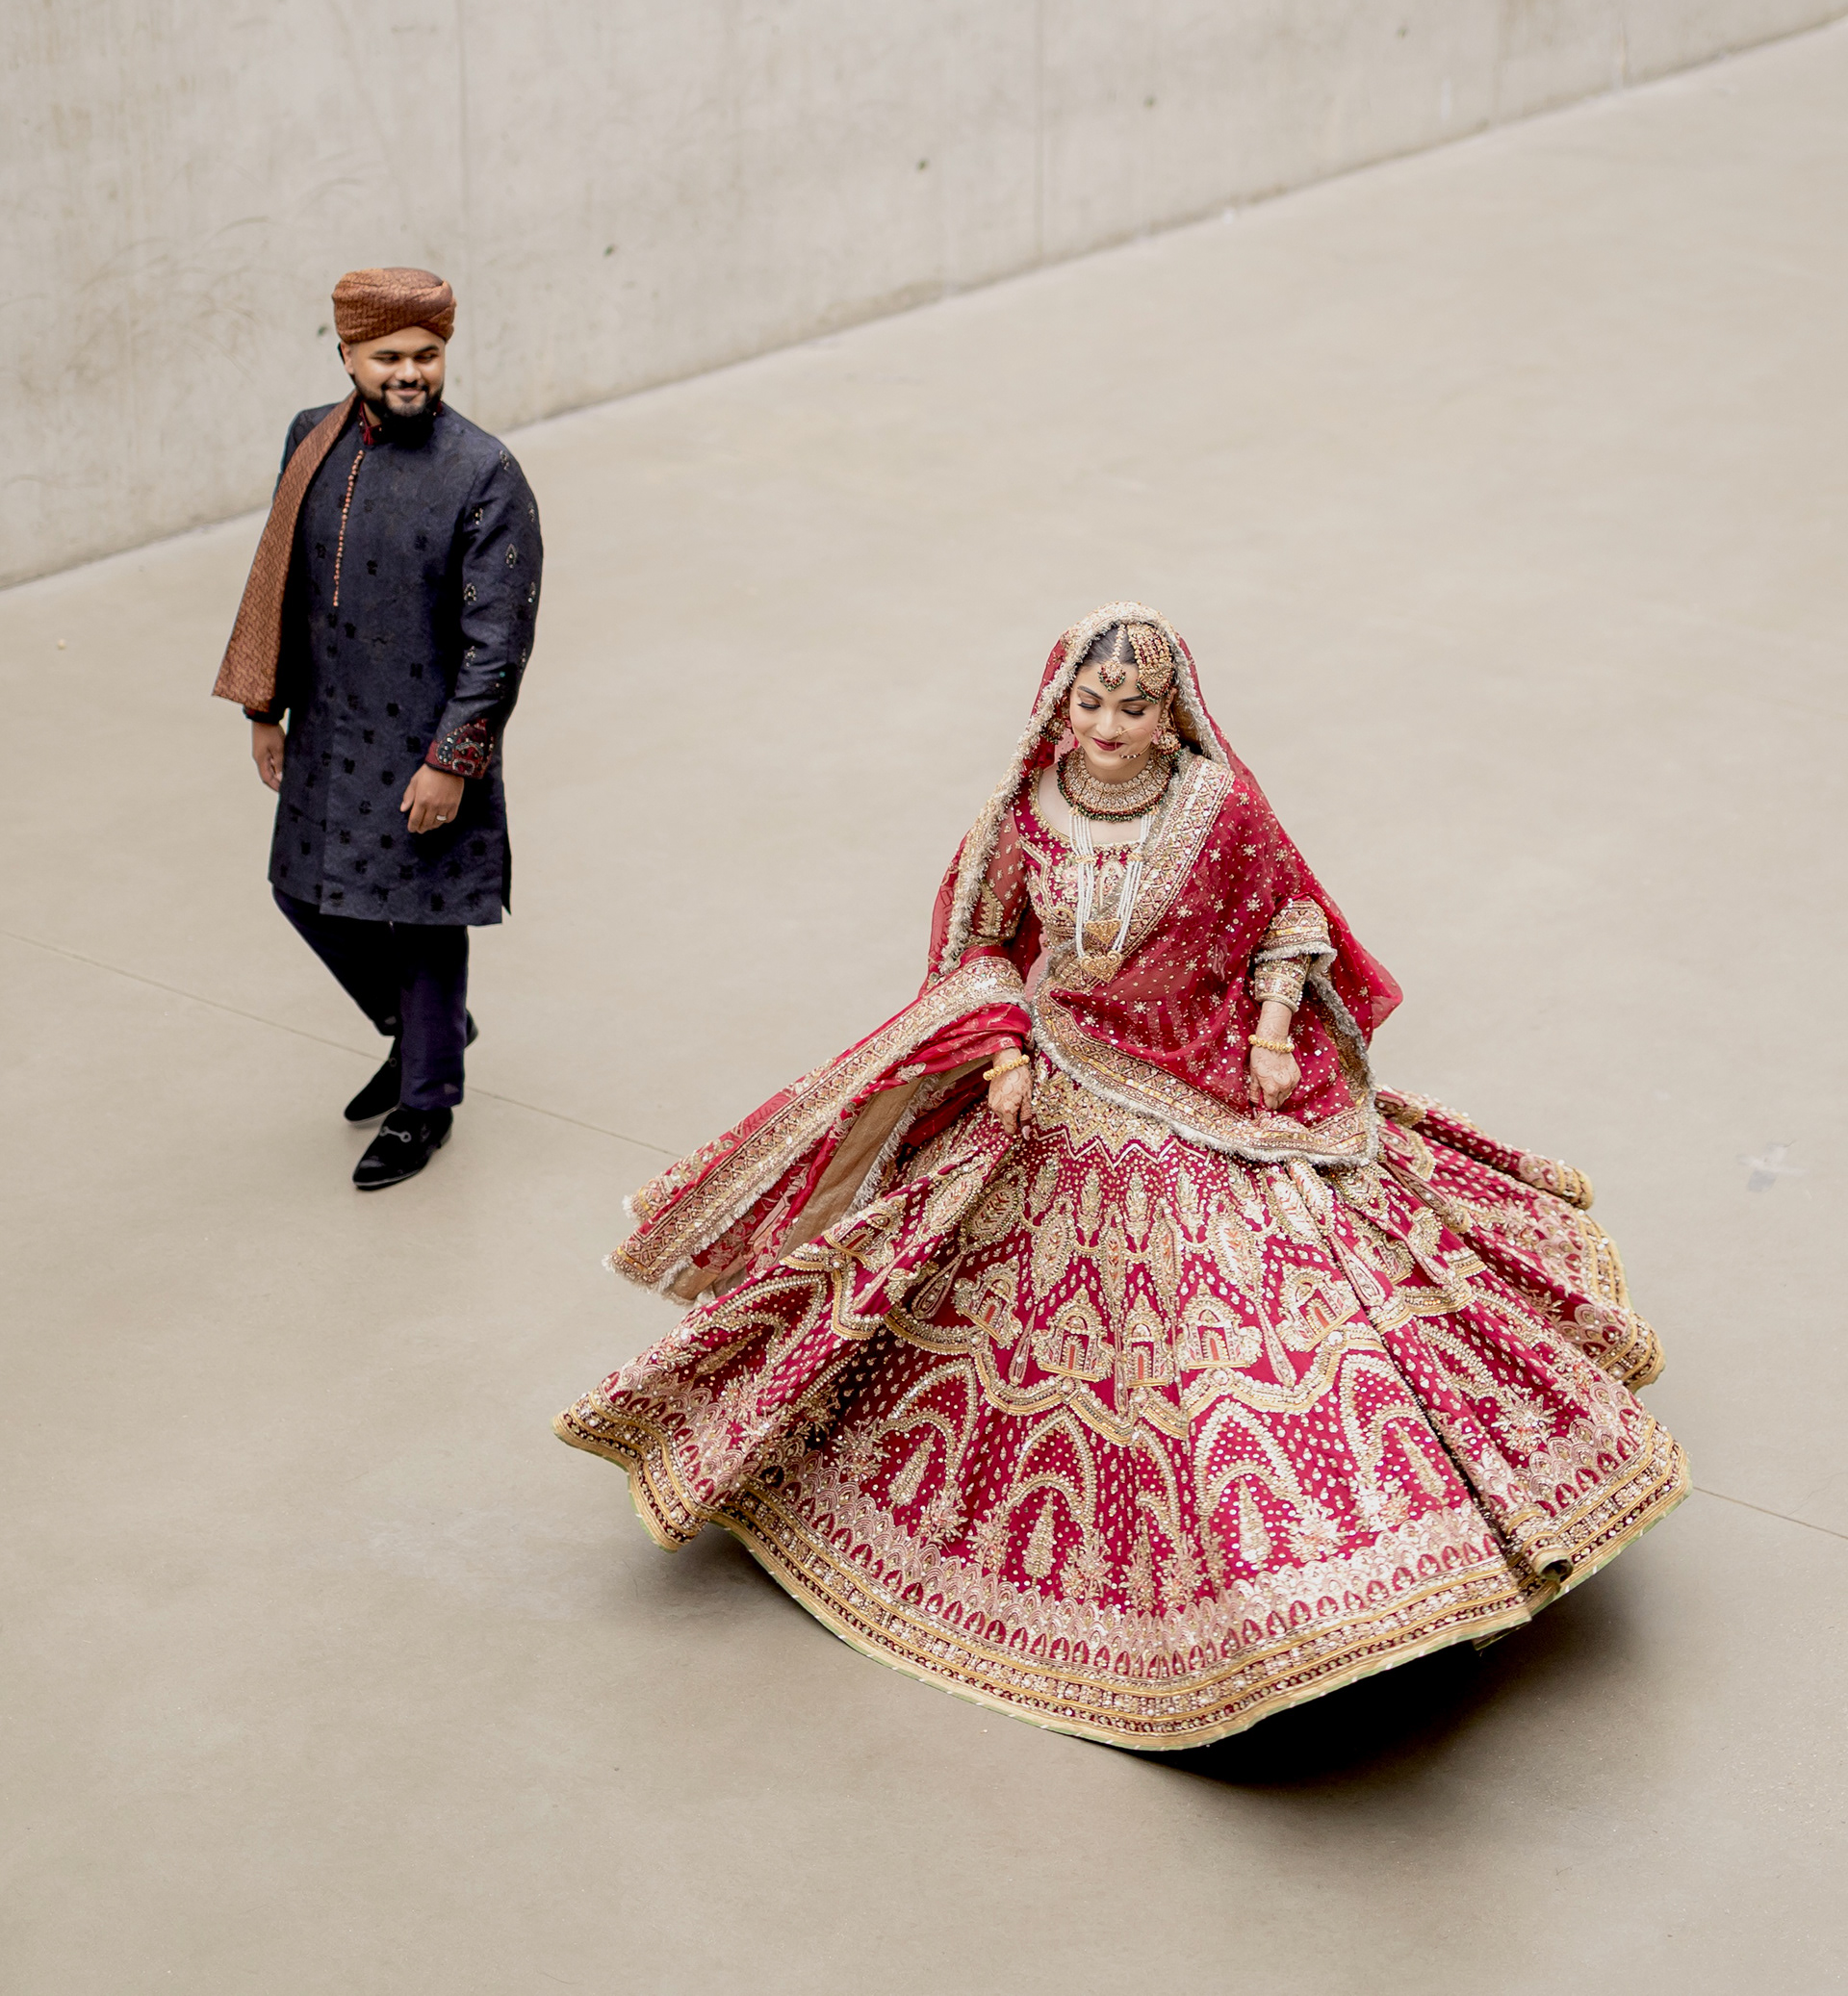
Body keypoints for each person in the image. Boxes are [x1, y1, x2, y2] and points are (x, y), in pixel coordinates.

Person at [555, 603, 1684, 1749]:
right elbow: (981, 950)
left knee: (1277, 1297)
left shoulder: (1217, 804)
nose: (1106, 725)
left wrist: (1274, 1030)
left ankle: (1369, 1572)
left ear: (1170, 713)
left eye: (1133, 706)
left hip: (1214, 1077)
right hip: (1065, 1079)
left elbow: (1289, 915)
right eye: (1089, 703)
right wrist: (1002, 1052)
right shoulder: (1024, 811)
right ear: (1058, 706)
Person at [214, 268, 542, 1190]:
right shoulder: (311, 438)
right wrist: (265, 708)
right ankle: (426, 1029)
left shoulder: (484, 472)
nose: (410, 372)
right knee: (304, 891)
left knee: (423, 918)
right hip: (328, 721)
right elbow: (279, 577)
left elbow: (499, 640)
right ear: (347, 355)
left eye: (427, 354)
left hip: (425, 737)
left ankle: (427, 1099)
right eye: (388, 355)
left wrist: (453, 761)